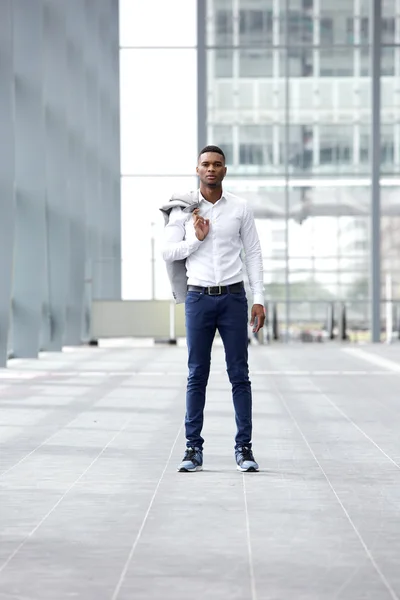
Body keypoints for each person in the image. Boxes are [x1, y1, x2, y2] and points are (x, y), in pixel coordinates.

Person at [162, 146, 265, 473]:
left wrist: (258, 297)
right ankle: (193, 449)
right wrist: (196, 239)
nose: (211, 169)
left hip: (234, 298)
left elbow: (253, 254)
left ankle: (244, 448)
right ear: (197, 169)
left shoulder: (239, 208)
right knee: (197, 374)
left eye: (216, 164)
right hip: (198, 298)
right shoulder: (184, 211)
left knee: (240, 375)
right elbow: (168, 252)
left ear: (224, 169)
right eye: (205, 164)